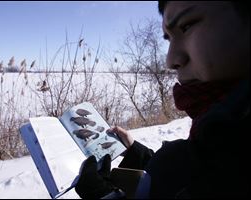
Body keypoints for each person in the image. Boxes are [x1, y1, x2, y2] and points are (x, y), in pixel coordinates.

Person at [75, 1, 250, 198]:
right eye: (168, 39)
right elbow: (191, 173)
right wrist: (138, 155)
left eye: (187, 25)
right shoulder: (222, 131)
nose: (171, 60)